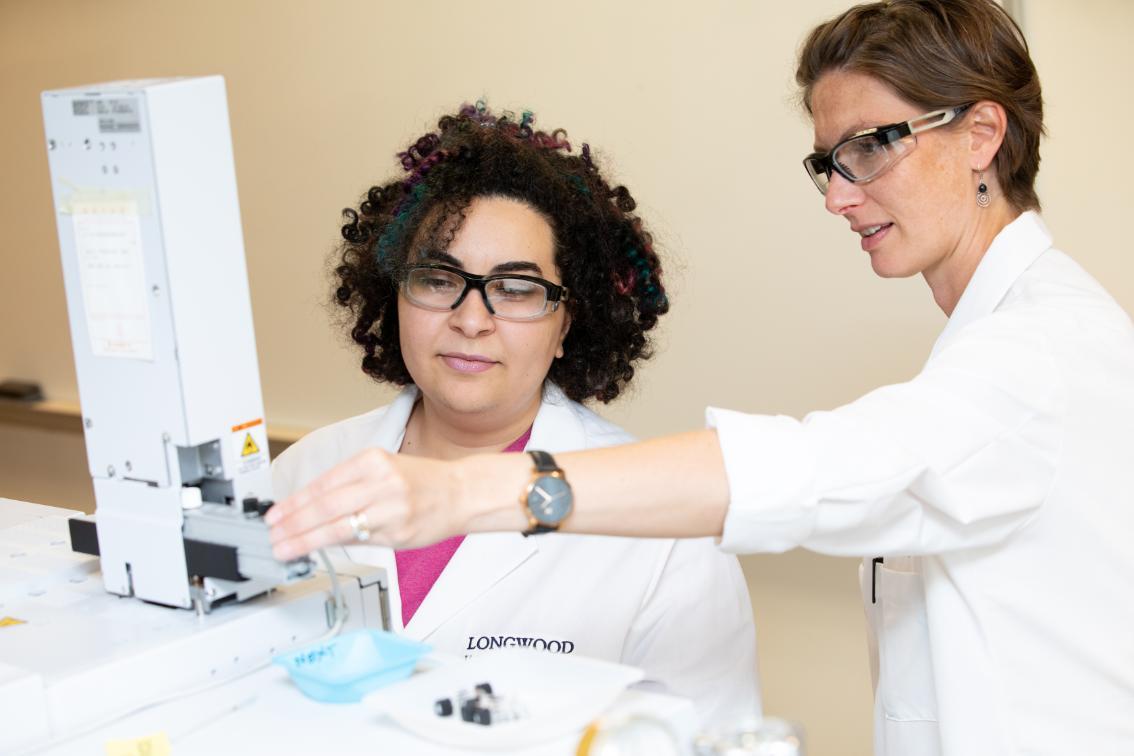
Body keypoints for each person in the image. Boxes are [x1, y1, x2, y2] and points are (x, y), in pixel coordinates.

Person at [267, 2, 1134, 753]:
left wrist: (474, 496)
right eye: (828, 162)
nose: (837, 196)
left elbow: (820, 469)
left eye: (869, 149)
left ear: (982, 134)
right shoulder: (996, 343)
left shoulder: (1045, 355)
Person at [269, 103, 760, 727]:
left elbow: (709, 738)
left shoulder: (667, 533)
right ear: (392, 295)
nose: (471, 320)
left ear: (566, 325)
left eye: (517, 288)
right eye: (438, 278)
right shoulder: (306, 471)